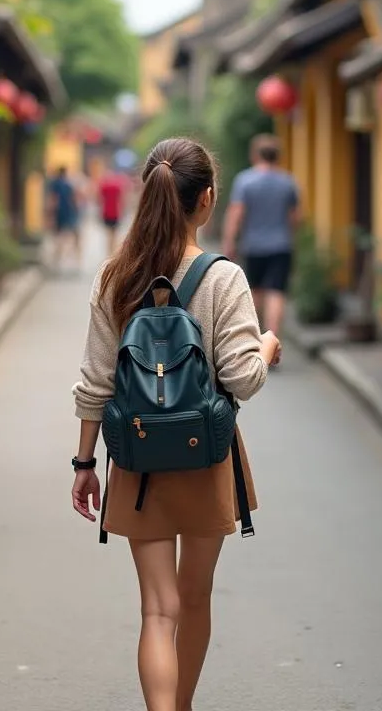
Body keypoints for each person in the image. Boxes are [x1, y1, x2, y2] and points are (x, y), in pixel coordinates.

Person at [71, 137, 281, 711]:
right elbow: (243, 380)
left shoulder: (117, 275)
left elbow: (95, 382)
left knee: (156, 609)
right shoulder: (224, 278)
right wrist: (266, 346)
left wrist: (85, 464)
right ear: (207, 199)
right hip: (207, 452)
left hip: (139, 462)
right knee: (194, 598)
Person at [221, 133, 300, 338]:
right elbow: (295, 217)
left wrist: (229, 241)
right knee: (276, 293)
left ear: (255, 155)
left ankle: (255, 342)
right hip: (281, 245)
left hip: (253, 245)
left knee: (255, 293)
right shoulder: (288, 182)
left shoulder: (245, 181)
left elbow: (236, 213)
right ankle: (272, 340)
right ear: (277, 155)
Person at [46, 166, 80, 270]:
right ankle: (68, 256)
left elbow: (53, 199)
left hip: (58, 212)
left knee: (58, 234)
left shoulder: (54, 184)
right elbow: (73, 199)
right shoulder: (68, 185)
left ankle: (58, 257)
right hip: (68, 212)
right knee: (70, 234)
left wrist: (50, 214)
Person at [97, 163, 128, 255]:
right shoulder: (118, 185)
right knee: (115, 233)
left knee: (108, 234)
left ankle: (108, 251)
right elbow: (122, 199)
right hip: (116, 212)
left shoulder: (104, 185)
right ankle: (113, 252)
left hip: (106, 212)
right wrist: (123, 210)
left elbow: (99, 199)